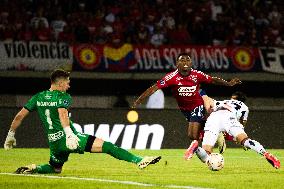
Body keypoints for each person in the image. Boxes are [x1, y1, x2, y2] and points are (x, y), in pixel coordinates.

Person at [4, 69, 161, 174]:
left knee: (55, 168)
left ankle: (33, 168)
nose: (69, 84)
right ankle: (139, 160)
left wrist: (10, 135)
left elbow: (19, 116)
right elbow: (62, 115)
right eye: (67, 82)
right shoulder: (63, 96)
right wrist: (70, 135)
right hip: (69, 138)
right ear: (59, 83)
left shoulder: (38, 97)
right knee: (107, 146)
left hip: (54, 143)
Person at [132, 53, 242, 160]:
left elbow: (212, 79)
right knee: (192, 135)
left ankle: (204, 142)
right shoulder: (172, 77)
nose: (185, 62)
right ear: (177, 64)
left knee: (193, 135)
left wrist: (228, 83)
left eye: (188, 60)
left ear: (191, 63)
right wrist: (139, 100)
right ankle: (217, 132)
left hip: (197, 105)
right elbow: (155, 87)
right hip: (185, 110)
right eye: (182, 60)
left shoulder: (197, 74)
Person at [195, 97, 281, 169]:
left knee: (206, 153)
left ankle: (196, 148)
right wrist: (239, 139)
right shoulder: (244, 107)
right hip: (229, 117)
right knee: (246, 140)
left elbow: (209, 102)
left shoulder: (224, 101)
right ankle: (265, 153)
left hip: (213, 118)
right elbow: (242, 123)